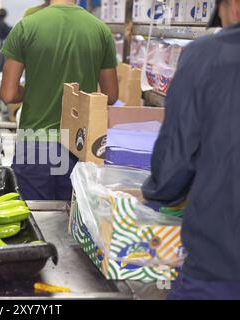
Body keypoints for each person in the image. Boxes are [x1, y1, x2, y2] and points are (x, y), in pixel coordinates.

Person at [141, 0, 240, 300]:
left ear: (234, 6)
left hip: (220, 259)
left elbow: (175, 158)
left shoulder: (207, 54)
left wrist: (154, 193)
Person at [0, 0, 118, 201]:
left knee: (33, 221)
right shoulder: (100, 30)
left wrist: (35, 91)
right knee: (74, 223)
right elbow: (111, 96)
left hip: (35, 143)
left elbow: (8, 94)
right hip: (79, 146)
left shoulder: (26, 26)